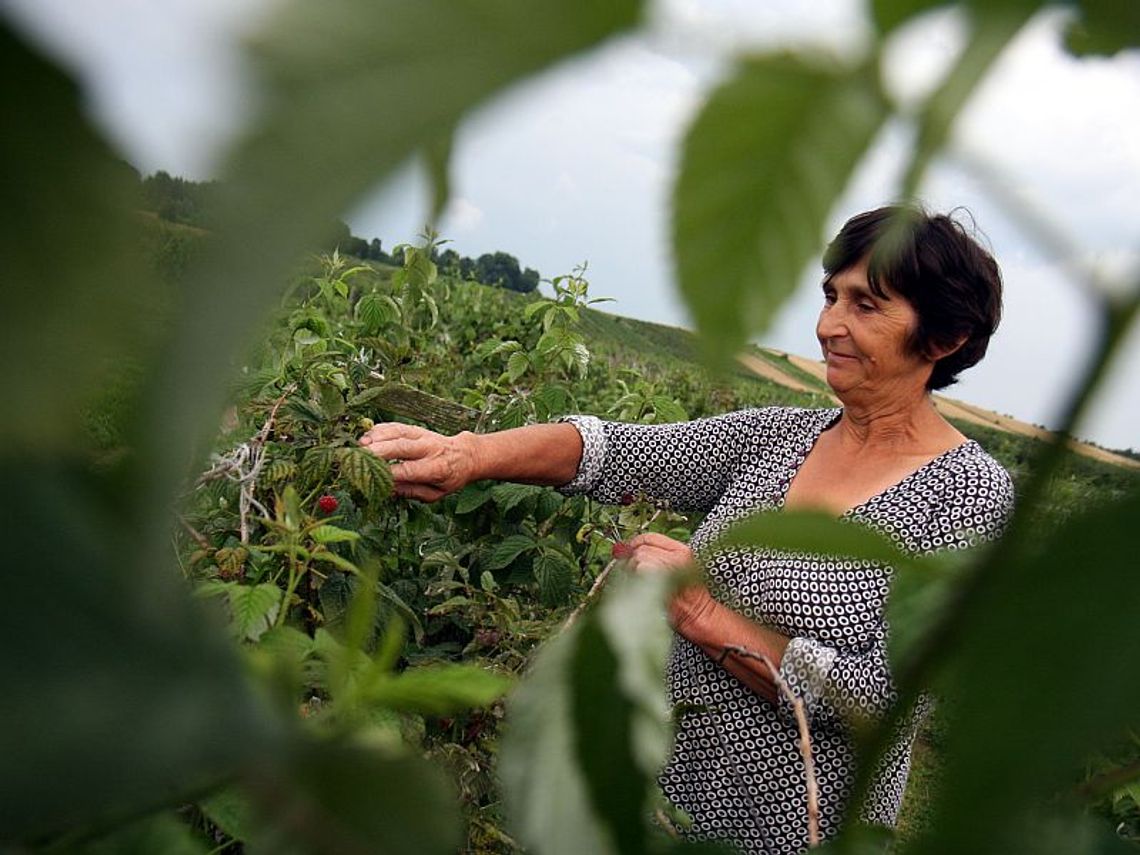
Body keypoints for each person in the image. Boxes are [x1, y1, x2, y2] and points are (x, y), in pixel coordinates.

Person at [358, 205, 1015, 853]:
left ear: (942, 338)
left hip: (790, 834)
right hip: (655, 803)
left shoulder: (968, 493)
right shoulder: (780, 436)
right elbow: (614, 451)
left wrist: (698, 607)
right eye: (830, 296)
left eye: (865, 305)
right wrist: (470, 453)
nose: (828, 325)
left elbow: (885, 700)